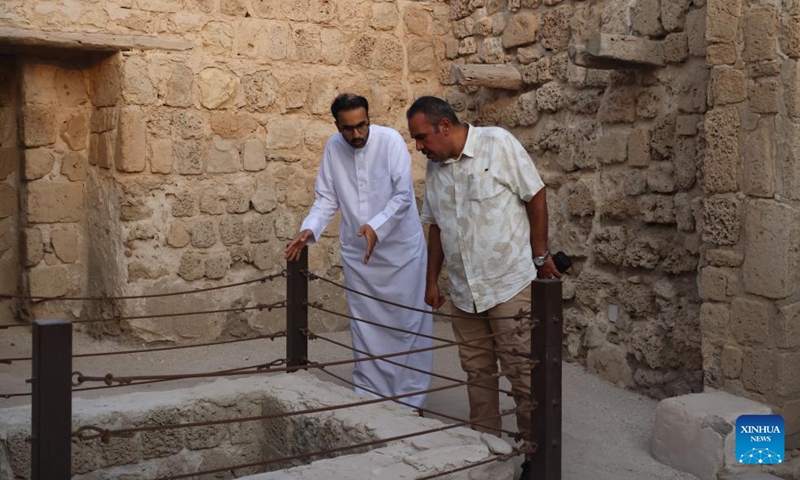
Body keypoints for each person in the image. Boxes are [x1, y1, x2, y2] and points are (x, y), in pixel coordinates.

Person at [406, 96, 561, 477]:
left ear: (444, 126)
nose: (419, 146)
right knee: (478, 375)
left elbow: (535, 193)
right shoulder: (436, 168)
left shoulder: (498, 143)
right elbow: (437, 226)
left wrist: (539, 255)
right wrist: (432, 280)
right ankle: (488, 453)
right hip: (463, 291)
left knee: (523, 373)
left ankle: (534, 457)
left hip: (507, 283)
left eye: (421, 137)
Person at [285, 93, 433, 408]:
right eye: (348, 128)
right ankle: (371, 398)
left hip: (401, 253)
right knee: (366, 326)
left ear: (369, 119)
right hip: (359, 256)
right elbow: (326, 197)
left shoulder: (391, 141)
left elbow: (403, 196)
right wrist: (309, 227)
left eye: (362, 125)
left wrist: (375, 227)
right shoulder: (333, 148)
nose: (356, 135)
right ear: (337, 126)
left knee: (408, 324)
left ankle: (410, 402)